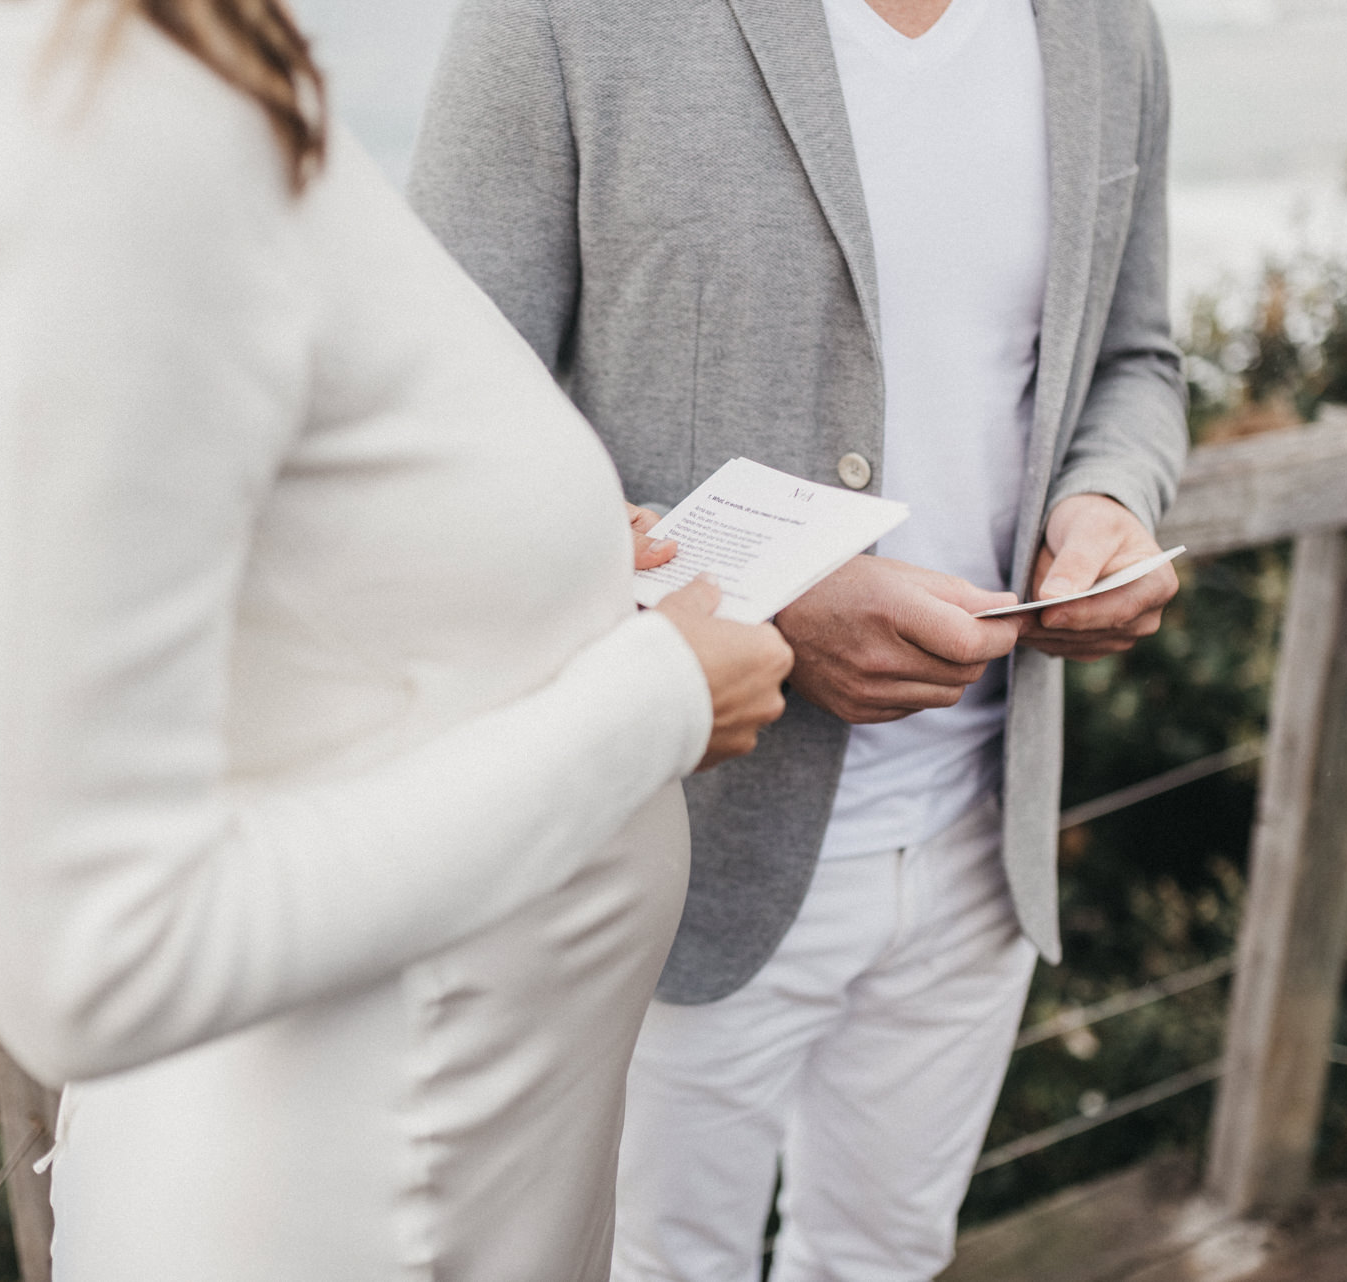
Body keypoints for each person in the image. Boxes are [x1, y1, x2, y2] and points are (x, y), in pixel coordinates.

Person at [0, 0, 796, 1277]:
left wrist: (567, 558)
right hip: (356, 1207)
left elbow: (301, 545)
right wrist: (660, 703)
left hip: (461, 1176)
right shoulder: (86, 106)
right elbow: (86, 951)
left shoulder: (175, 57)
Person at [409, 0, 1188, 1276]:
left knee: (889, 1257)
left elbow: (1134, 359)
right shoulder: (555, 19)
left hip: (982, 844)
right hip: (667, 852)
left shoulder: (1109, 26)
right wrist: (744, 597)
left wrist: (1108, 498)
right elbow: (441, 428)